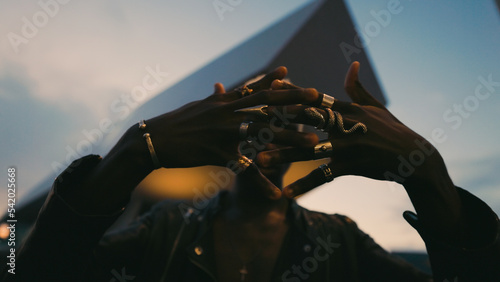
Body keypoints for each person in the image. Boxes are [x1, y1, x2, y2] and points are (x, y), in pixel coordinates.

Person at [2, 62, 499, 282]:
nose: (270, 142)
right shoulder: (166, 229)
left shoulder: (341, 242)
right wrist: (136, 150)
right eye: (257, 126)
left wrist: (427, 174)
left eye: (286, 128)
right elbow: (39, 274)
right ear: (224, 136)